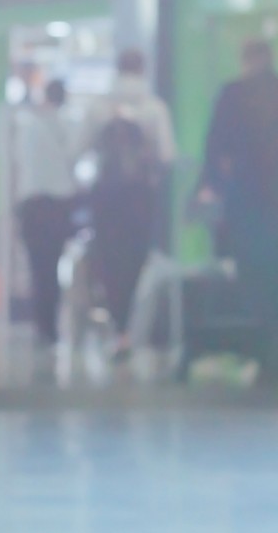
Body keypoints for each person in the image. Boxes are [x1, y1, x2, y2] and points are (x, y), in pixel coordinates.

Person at [193, 38, 278, 386]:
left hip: (247, 203)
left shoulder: (232, 95)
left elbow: (214, 148)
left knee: (253, 279)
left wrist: (213, 189)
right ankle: (276, 343)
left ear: (245, 59)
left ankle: (267, 345)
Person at [82, 103, 164, 365]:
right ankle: (127, 328)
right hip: (135, 216)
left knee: (111, 272)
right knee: (131, 272)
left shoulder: (103, 181)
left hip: (110, 218)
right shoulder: (142, 184)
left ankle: (120, 327)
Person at [9, 77, 82, 350]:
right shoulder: (70, 125)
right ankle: (50, 326)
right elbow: (76, 156)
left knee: (37, 266)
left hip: (33, 203)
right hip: (60, 205)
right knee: (53, 266)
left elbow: (18, 163)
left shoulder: (28, 125)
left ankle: (42, 324)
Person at [104, 49, 178, 254]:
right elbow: (167, 155)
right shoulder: (155, 108)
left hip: (107, 194)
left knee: (110, 254)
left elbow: (80, 149)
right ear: (142, 69)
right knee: (138, 254)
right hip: (141, 194)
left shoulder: (100, 107)